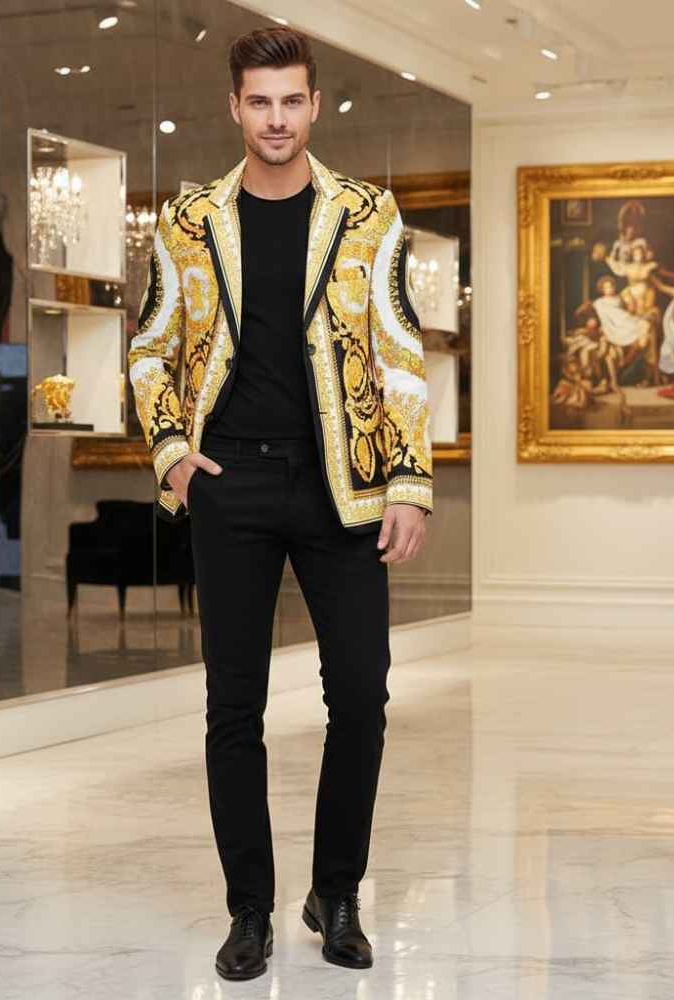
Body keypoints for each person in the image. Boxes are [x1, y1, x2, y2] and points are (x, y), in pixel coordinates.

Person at [127, 25, 433, 982]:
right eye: (259, 102)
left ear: (314, 105)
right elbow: (149, 349)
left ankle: (335, 895)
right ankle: (249, 911)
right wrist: (172, 453)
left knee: (363, 697)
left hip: (345, 486)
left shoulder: (368, 214)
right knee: (234, 706)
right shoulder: (187, 222)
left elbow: (400, 353)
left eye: (291, 100)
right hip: (232, 485)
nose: (276, 119)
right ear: (234, 107)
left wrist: (409, 483)